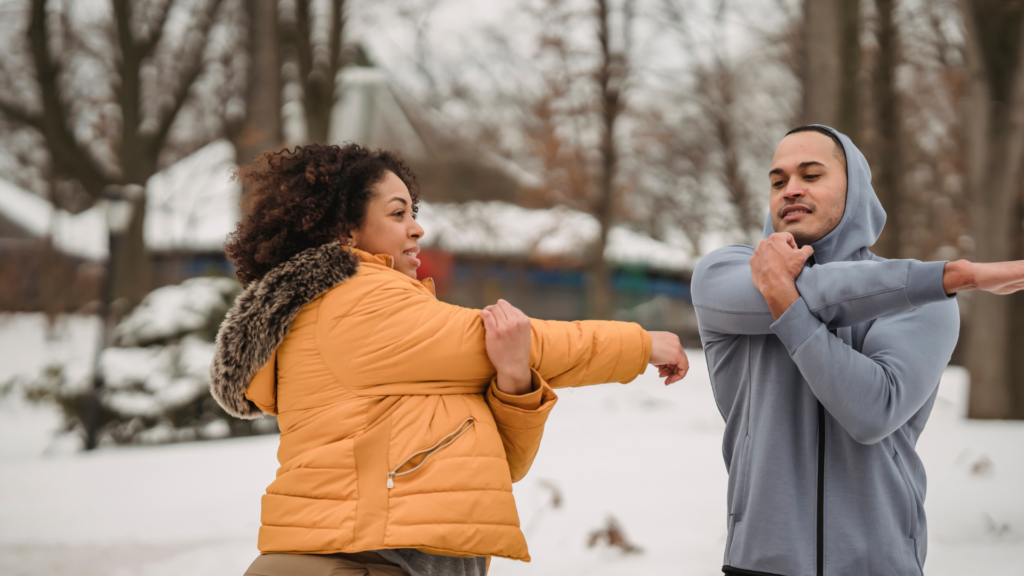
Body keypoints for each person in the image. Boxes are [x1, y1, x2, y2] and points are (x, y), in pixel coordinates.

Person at [209, 143, 689, 576]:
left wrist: (515, 380)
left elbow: (498, 466)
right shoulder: (354, 301)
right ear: (344, 230)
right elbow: (514, 338)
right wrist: (642, 344)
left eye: (412, 212)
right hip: (360, 561)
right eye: (398, 214)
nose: (417, 227)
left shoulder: (371, 318)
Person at [691, 124, 1024, 576]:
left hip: (878, 561)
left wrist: (784, 304)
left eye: (811, 175)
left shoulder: (921, 301)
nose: (791, 190)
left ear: (856, 189)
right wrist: (950, 276)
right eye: (778, 180)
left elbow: (871, 411)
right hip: (759, 561)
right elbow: (821, 291)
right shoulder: (724, 274)